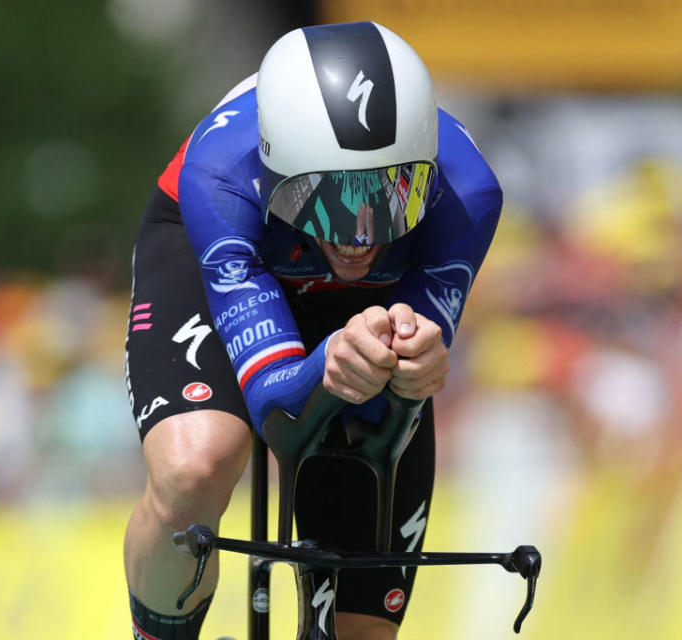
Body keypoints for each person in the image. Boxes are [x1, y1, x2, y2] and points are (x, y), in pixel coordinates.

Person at [123, 21, 501, 640]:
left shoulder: (470, 194)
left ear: (426, 179)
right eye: (322, 199)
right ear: (275, 170)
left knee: (359, 633)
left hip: (362, 307)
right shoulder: (219, 175)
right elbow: (273, 404)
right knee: (195, 466)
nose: (356, 234)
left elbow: (398, 381)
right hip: (234, 252)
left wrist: (414, 361)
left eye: (386, 198)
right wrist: (326, 364)